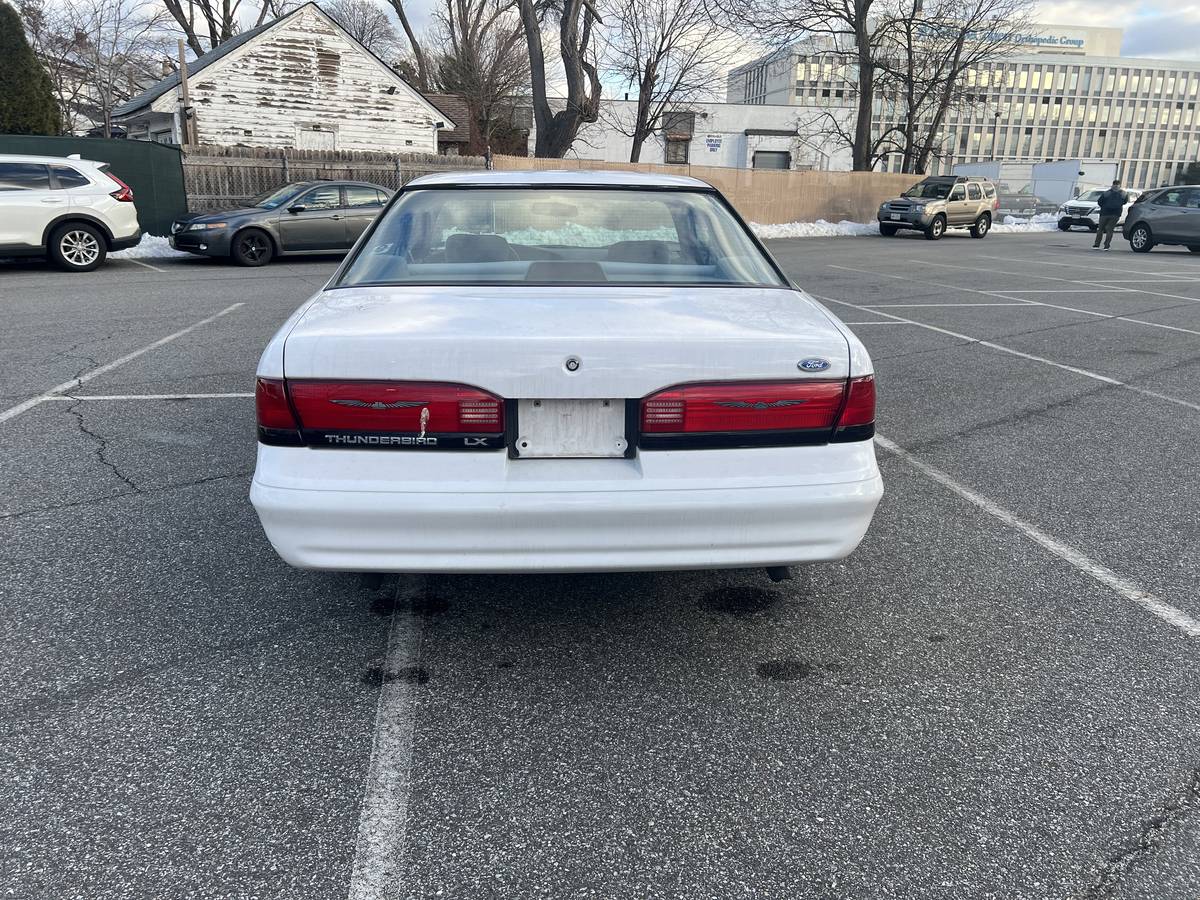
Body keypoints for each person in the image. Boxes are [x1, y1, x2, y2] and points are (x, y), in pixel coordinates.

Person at [1093, 180, 1128, 250]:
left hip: (1104, 213)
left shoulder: (1106, 193)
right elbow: (1125, 202)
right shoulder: (1124, 193)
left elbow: (1099, 202)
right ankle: (1106, 246)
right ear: (1120, 185)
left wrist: (1104, 206)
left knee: (1100, 229)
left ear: (1112, 184)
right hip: (1116, 214)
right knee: (1110, 230)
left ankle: (1096, 245)